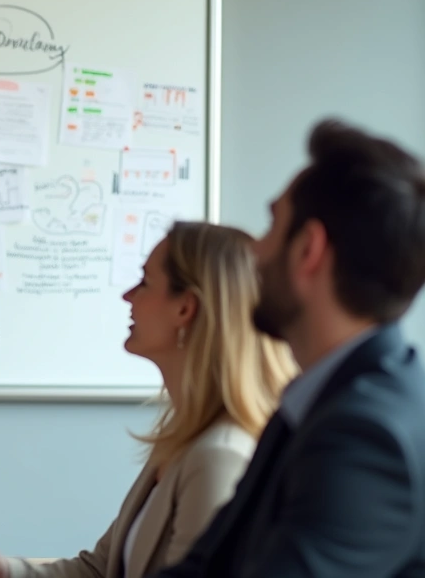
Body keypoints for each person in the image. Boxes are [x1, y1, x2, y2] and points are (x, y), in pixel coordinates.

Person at [0, 222, 297, 578]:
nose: (128, 294)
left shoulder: (218, 458)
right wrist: (2, 573)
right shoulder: (181, 442)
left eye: (144, 282)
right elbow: (99, 568)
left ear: (185, 308)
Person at [149, 120, 425, 576]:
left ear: (308, 250)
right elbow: (204, 567)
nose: (254, 250)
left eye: (272, 223)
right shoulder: (317, 402)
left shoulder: (365, 434)